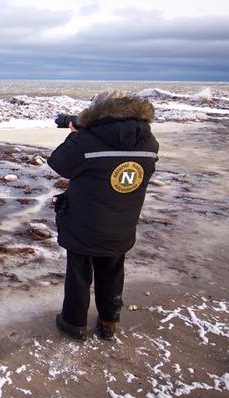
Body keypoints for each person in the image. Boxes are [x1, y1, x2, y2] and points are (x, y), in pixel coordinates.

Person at [47, 91, 159, 341]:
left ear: (97, 111)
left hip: (84, 220)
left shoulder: (87, 139)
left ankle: (74, 323)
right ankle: (108, 322)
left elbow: (58, 163)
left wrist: (76, 134)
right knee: (113, 269)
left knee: (79, 272)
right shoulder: (148, 141)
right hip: (123, 220)